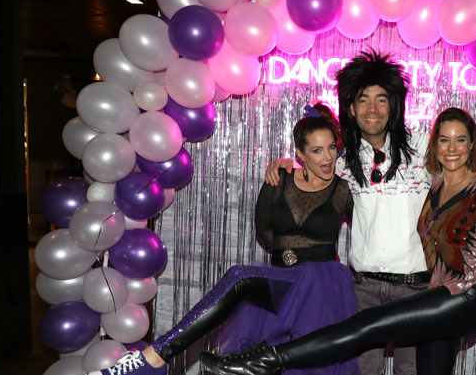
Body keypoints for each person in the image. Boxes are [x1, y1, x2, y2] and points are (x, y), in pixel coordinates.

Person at [199, 107, 476, 375]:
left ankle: (259, 362)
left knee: (368, 328)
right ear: (433, 147)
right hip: (442, 297)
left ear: (473, 143)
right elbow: (323, 170)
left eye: (461, 140)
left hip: (463, 297)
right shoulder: (434, 187)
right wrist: (287, 163)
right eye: (444, 140)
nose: (452, 147)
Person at [265, 51, 476, 375]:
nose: (372, 109)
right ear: (350, 108)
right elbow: (306, 176)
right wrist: (283, 165)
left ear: (394, 104)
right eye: (363, 100)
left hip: (417, 291)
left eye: (382, 99)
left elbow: (462, 170)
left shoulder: (425, 148)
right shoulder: (338, 161)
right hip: (362, 289)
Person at [89, 105, 360, 375]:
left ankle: (155, 358)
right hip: (283, 280)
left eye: (331, 148)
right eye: (317, 150)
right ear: (300, 154)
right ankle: (154, 359)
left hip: (322, 287)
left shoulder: (343, 189)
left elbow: (365, 224)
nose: (327, 158)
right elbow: (263, 228)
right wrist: (288, 254)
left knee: (243, 279)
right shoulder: (279, 178)